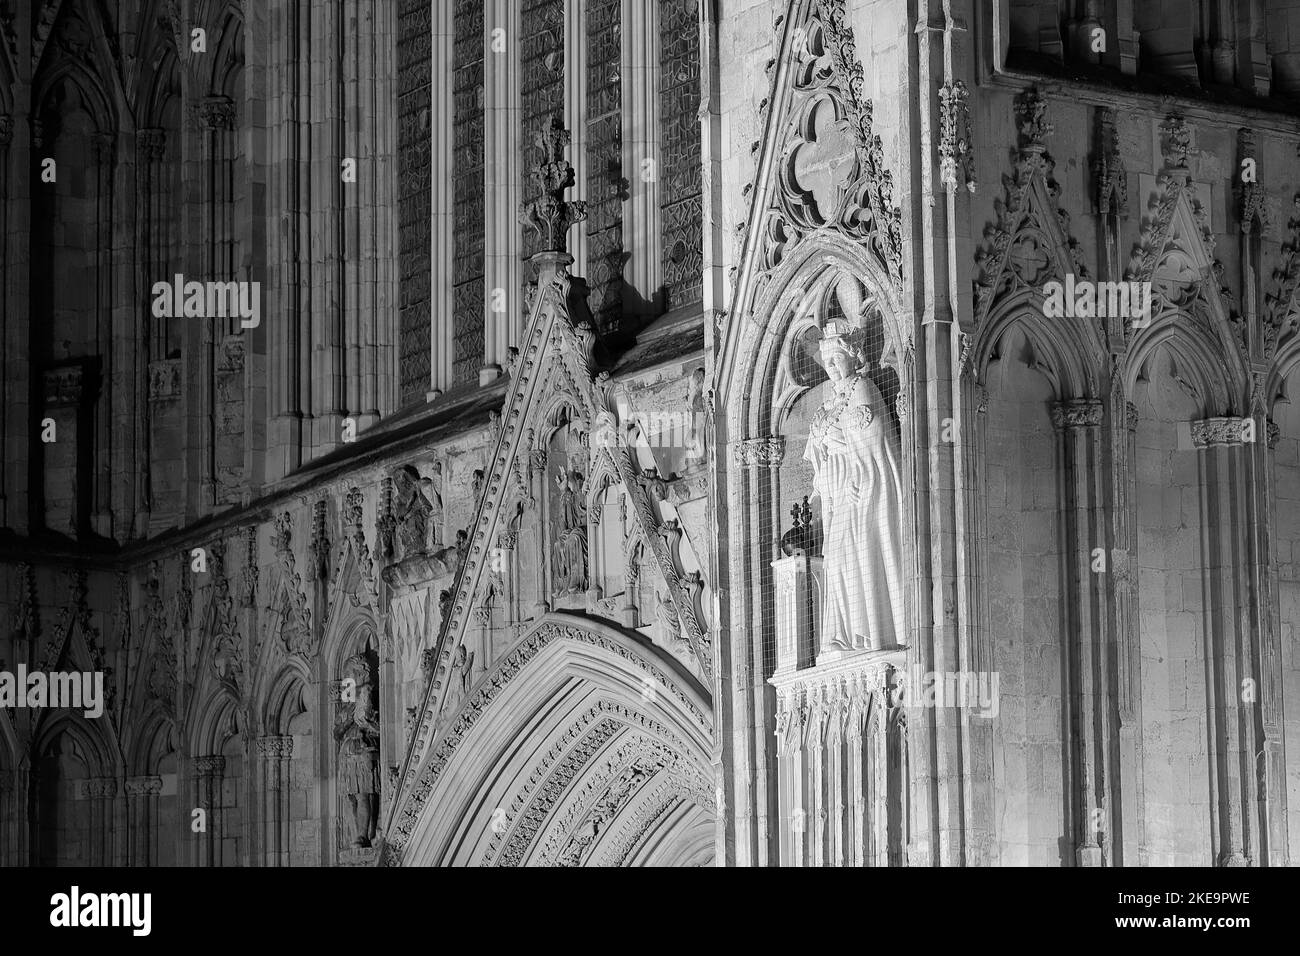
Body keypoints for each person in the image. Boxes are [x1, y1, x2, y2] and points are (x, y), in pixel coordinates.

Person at [803, 320, 906, 654]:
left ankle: (867, 634)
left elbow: (875, 440)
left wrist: (841, 441)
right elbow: (816, 450)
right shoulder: (829, 401)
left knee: (851, 554)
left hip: (860, 487)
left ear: (852, 357)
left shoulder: (862, 388)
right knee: (833, 559)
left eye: (837, 359)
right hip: (838, 492)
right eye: (827, 361)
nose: (831, 367)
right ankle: (843, 635)